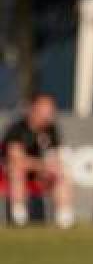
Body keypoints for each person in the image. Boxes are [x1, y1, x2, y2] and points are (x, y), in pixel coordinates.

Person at [2, 94, 74, 228]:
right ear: (34, 109)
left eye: (51, 110)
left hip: (39, 173)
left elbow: (55, 156)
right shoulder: (17, 129)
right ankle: (19, 219)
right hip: (12, 174)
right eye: (45, 110)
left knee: (61, 175)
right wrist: (43, 166)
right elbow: (17, 160)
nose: (49, 114)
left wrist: (51, 168)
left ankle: (65, 219)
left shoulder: (51, 130)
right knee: (17, 172)